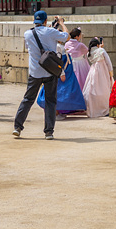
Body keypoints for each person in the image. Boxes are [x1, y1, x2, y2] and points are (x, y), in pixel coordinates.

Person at [13, 11, 67, 139]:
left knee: (27, 100)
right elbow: (66, 36)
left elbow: (30, 47)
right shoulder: (50, 32)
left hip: (35, 71)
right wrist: (62, 23)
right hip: (50, 71)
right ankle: (49, 132)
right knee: (50, 101)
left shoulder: (28, 34)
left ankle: (18, 127)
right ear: (45, 21)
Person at [83, 37, 114, 117]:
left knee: (93, 89)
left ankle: (94, 109)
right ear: (97, 44)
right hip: (102, 71)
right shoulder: (101, 50)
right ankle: (104, 109)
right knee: (104, 90)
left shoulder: (88, 53)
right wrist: (111, 72)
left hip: (93, 71)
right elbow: (108, 62)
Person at [56, 47, 87, 116]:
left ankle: (64, 110)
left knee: (66, 92)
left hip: (68, 74)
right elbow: (58, 62)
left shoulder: (61, 46)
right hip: (64, 74)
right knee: (61, 92)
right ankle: (58, 111)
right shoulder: (58, 47)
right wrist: (62, 73)